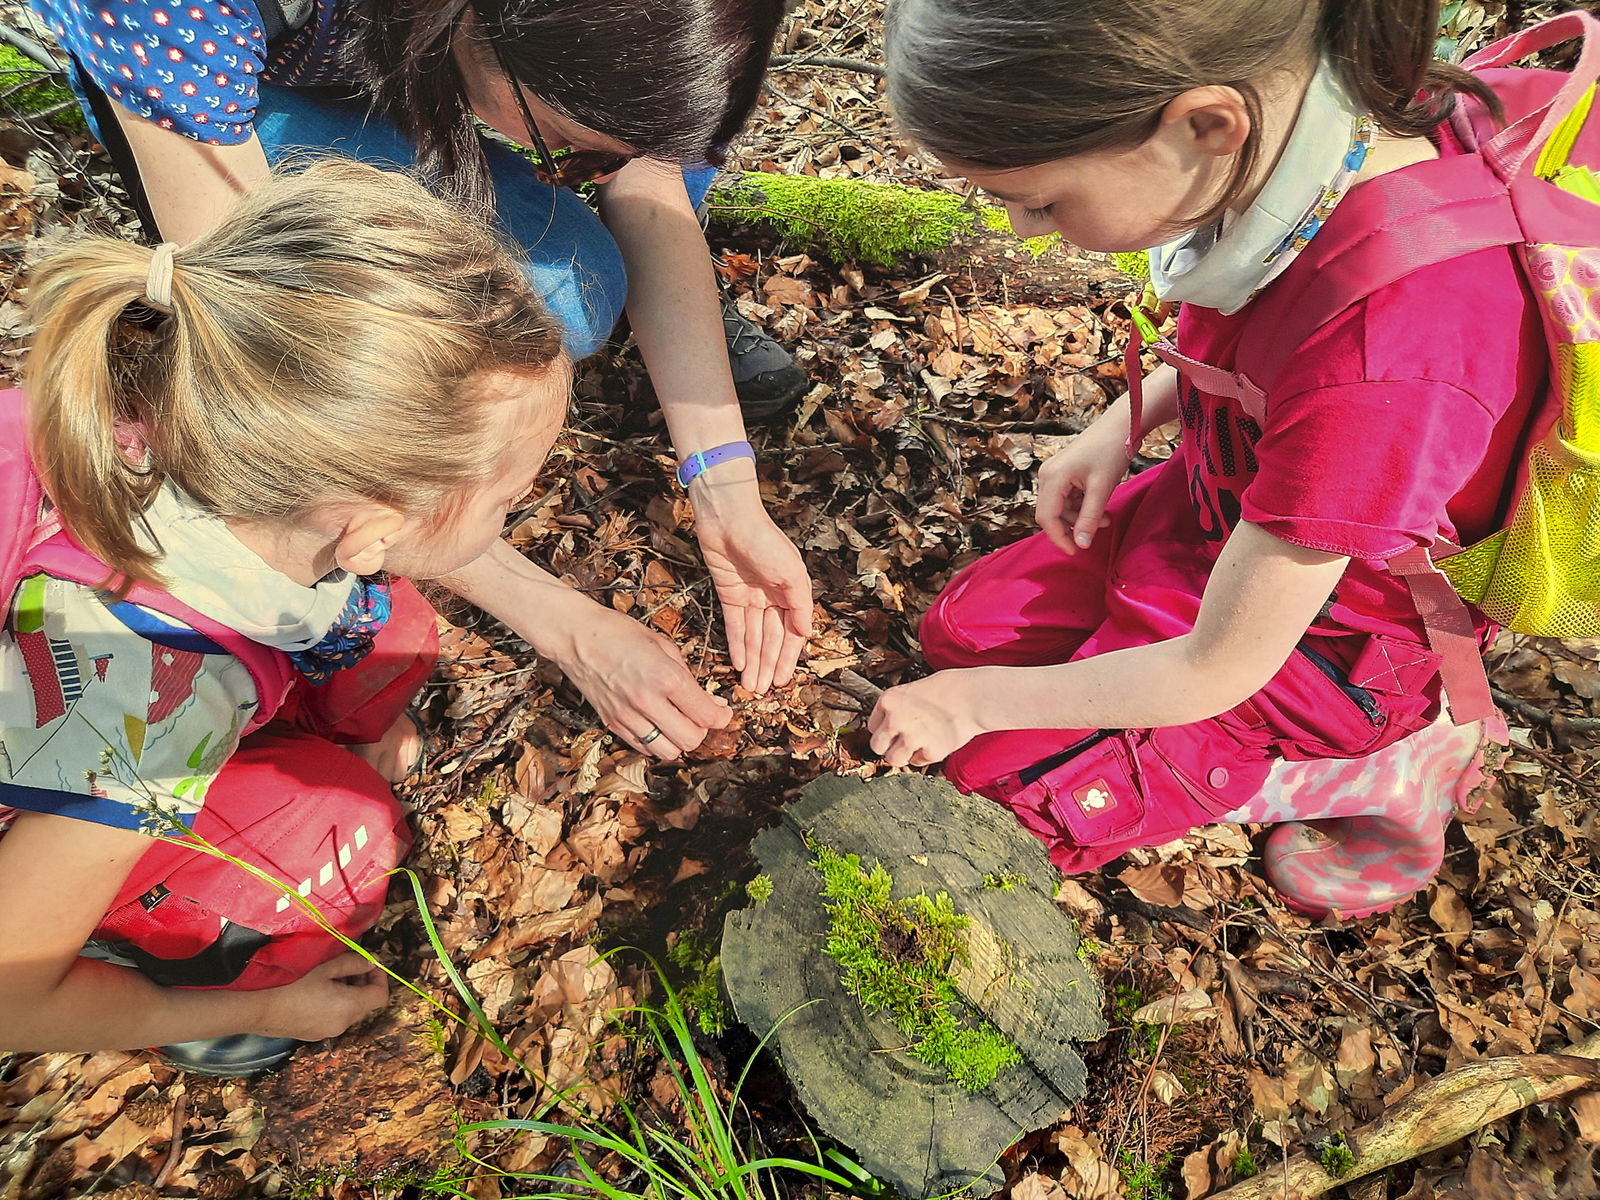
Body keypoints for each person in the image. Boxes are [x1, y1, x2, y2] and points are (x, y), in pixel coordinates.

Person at [873, 0, 1549, 917]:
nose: (1025, 231)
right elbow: (1271, 348)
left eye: (1040, 201)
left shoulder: (1392, 354)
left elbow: (1216, 666)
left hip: (1318, 647)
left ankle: (1381, 765)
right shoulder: (1308, 144)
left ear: (1205, 125)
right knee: (960, 633)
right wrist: (1122, 422)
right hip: (1216, 519)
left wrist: (974, 705)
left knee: (990, 792)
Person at [29, 0, 814, 757]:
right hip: (238, 94)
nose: (592, 176)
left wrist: (724, 485)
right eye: (574, 153)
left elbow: (649, 186)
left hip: (390, 51)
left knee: (582, 271)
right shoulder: (171, 14)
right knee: (567, 296)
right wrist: (564, 624)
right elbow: (292, 378)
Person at [0, 159, 570, 1073]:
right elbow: (8, 996)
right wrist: (276, 1005)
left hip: (102, 679)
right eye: (509, 499)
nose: (515, 512)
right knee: (341, 847)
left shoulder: (175, 386)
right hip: (62, 810)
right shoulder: (146, 711)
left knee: (393, 638)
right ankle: (159, 974)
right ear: (368, 531)